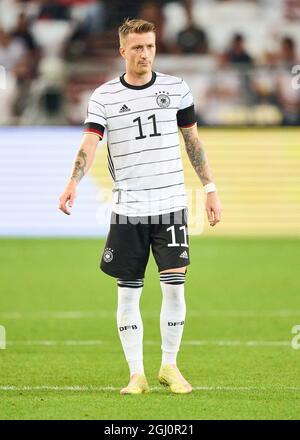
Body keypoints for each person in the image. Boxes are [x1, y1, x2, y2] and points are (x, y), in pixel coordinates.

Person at [59, 18, 222, 395]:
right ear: (122, 51)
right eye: (136, 47)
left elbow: (193, 142)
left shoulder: (176, 89)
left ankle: (169, 366)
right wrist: (72, 181)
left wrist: (210, 188)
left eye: (149, 46)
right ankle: (137, 374)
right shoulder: (103, 97)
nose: (144, 53)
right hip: (129, 207)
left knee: (175, 289)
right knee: (128, 291)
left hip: (171, 206)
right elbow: (89, 145)